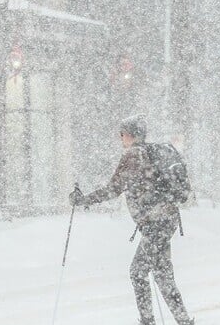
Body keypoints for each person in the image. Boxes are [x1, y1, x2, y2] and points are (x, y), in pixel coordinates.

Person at [70, 114, 194, 325]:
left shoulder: (133, 156)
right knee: (162, 277)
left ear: (129, 135)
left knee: (138, 273)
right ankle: (183, 321)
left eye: (122, 134)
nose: (121, 138)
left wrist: (84, 200)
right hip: (165, 221)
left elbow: (113, 188)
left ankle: (149, 321)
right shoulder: (152, 153)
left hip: (155, 224)